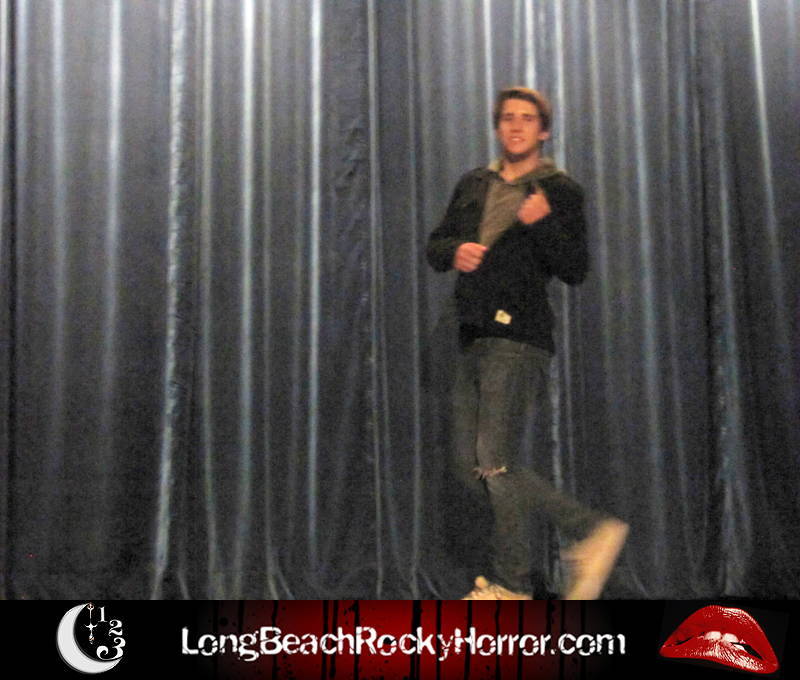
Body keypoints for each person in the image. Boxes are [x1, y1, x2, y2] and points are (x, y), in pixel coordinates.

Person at [426, 87, 628, 600]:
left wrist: (543, 225)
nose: (516, 126)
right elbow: (435, 245)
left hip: (518, 337)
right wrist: (455, 251)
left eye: (528, 119)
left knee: (495, 461)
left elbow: (575, 269)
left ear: (544, 130)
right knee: (473, 469)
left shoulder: (559, 190)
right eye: (508, 118)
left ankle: (522, 577)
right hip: (472, 332)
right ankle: (563, 549)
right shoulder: (474, 183)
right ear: (498, 127)